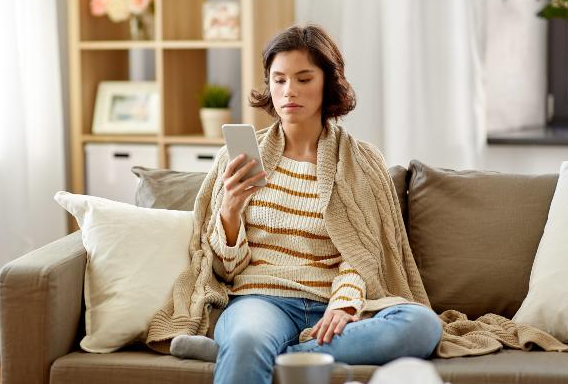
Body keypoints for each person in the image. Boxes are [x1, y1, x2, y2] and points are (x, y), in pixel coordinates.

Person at [167, 24, 443, 384]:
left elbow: (363, 254)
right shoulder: (235, 159)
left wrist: (345, 303)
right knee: (249, 335)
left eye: (303, 78)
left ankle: (261, 355)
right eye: (279, 80)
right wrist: (230, 210)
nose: (289, 91)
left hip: (332, 304)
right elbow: (224, 270)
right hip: (261, 300)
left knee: (421, 325)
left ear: (328, 83)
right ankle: (246, 346)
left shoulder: (361, 161)